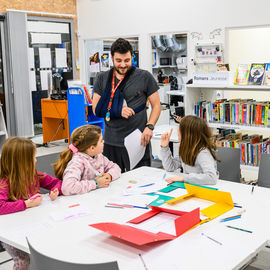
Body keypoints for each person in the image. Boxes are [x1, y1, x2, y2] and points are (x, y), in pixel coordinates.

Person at [92, 38, 161, 172]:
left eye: (127, 60)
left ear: (132, 57)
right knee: (112, 183)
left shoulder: (144, 77)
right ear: (112, 58)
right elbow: (96, 110)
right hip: (111, 141)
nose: (123, 65)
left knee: (141, 181)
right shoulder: (102, 78)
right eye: (119, 61)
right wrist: (118, 111)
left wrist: (150, 127)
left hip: (138, 141)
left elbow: (156, 105)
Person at [0, 137, 62, 270]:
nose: (36, 160)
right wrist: (26, 204)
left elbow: (56, 183)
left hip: (32, 225)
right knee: (23, 260)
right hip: (12, 231)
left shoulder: (33, 175)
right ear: (22, 162)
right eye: (33, 157)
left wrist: (55, 191)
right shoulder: (4, 182)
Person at [54, 125, 121, 195]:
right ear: (92, 148)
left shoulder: (98, 156)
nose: (103, 142)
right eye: (101, 141)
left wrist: (109, 175)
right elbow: (67, 187)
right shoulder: (77, 162)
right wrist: (96, 183)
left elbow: (116, 167)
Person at [160, 115, 219, 185]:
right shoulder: (186, 147)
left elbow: (211, 178)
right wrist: (165, 147)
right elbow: (170, 167)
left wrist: (184, 178)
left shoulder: (202, 152)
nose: (177, 130)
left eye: (180, 128)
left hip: (204, 188)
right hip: (191, 185)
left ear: (188, 133)